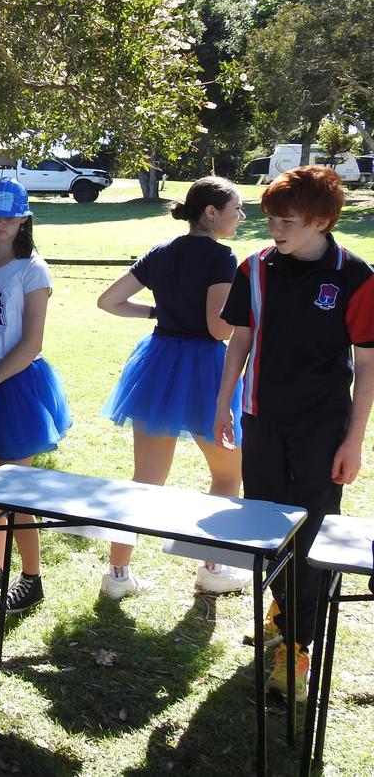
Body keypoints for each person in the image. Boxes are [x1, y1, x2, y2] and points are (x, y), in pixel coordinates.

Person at [214, 165, 374, 702]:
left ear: (322, 221)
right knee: (268, 526)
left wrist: (353, 441)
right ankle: (283, 615)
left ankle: (298, 649)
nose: (275, 230)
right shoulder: (254, 267)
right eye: (271, 220)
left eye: (288, 221)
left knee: (311, 534)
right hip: (260, 418)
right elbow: (240, 338)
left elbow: (367, 364)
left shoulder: (356, 276)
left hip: (323, 428)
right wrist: (224, 403)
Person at [97, 176, 250, 599]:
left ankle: (117, 574)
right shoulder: (221, 256)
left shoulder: (161, 251)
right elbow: (218, 329)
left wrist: (157, 313)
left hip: (160, 364)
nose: (241, 216)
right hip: (205, 369)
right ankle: (213, 568)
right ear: (211, 213)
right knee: (228, 473)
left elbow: (108, 301)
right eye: (237, 208)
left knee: (144, 480)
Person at [0, 178, 71, 614]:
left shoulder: (32, 269)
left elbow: (31, 343)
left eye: (8, 216)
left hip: (15, 383)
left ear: (24, 219)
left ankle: (31, 579)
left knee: (16, 493)